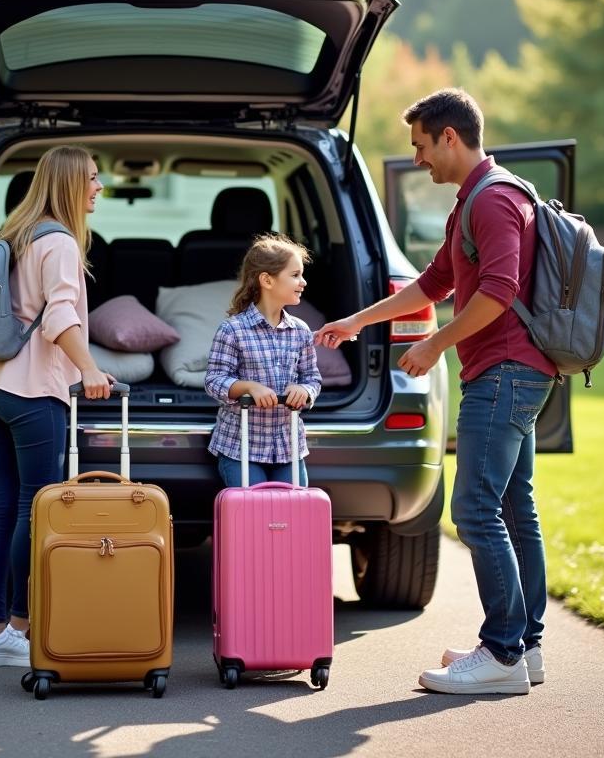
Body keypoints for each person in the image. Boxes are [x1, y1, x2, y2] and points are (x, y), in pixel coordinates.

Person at [316, 88, 556, 695]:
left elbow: (498, 292)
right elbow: (433, 283)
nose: (418, 157)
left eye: (421, 145)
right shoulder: (473, 201)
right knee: (511, 507)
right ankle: (522, 648)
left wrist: (434, 345)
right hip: (514, 372)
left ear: (450, 136)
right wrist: (358, 322)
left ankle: (501, 653)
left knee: (476, 510)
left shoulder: (494, 201)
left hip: (504, 373)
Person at [0, 145, 112, 668]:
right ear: (71, 183)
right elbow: (59, 317)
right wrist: (90, 369)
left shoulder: (17, 234)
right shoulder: (63, 243)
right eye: (93, 178)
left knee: (1, 508)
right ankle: (22, 630)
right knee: (35, 509)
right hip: (29, 390)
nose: (99, 187)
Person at [205, 234, 322, 488]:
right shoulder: (233, 330)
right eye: (294, 275)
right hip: (241, 447)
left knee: (292, 516)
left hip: (287, 447)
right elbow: (214, 381)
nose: (303, 282)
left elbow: (312, 378)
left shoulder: (300, 331)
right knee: (252, 515)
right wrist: (249, 387)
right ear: (267, 280)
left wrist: (304, 390)